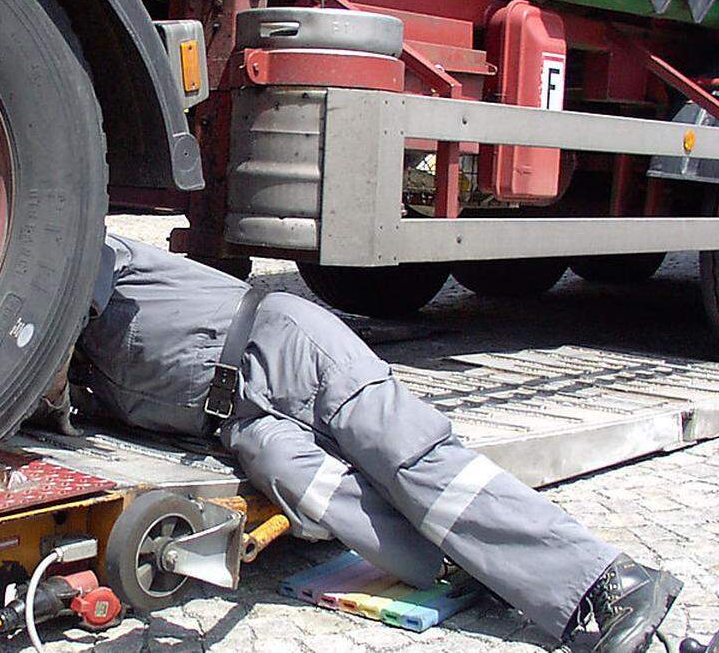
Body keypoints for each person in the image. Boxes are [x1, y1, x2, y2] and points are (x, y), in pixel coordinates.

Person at [53, 232, 682, 653]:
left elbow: (69, 293)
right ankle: (479, 566)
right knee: (338, 508)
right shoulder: (79, 382)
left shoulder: (90, 248)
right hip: (243, 424)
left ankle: (608, 582)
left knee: (417, 463)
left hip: (284, 347)